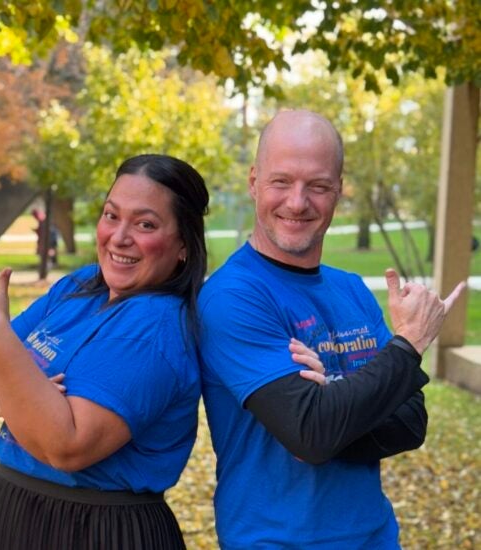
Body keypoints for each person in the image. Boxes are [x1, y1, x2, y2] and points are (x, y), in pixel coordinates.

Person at [197, 110, 466, 549]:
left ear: (338, 190)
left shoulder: (352, 289)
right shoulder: (233, 297)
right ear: (253, 182)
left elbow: (411, 424)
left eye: (318, 186)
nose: (298, 202)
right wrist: (408, 345)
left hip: (376, 538)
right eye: (281, 182)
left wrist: (331, 410)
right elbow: (313, 434)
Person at [0, 154, 209, 550]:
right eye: (111, 215)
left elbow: (65, 445)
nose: (119, 236)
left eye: (145, 224)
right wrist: (31, 401)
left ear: (183, 246)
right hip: (11, 511)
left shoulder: (153, 328)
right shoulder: (79, 285)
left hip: (92, 529)